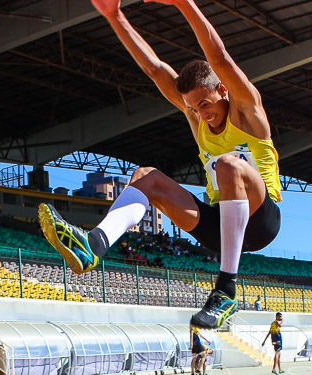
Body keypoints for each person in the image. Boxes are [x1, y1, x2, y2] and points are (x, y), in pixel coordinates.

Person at [37, 0, 281, 330]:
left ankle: (225, 290)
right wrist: (115, 15)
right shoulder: (198, 120)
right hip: (220, 227)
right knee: (145, 176)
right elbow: (154, 68)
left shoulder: (247, 113)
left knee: (228, 165)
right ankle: (93, 245)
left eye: (205, 104)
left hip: (261, 220)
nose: (201, 114)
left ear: (223, 90)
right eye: (194, 109)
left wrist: (184, 3)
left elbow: (219, 59)